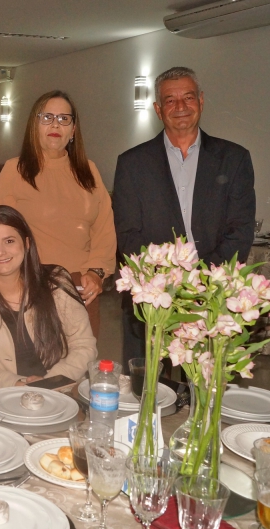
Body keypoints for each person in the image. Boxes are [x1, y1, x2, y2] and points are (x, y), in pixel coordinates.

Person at [113, 66, 255, 371]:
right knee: (150, 385)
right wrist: (168, 282)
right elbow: (128, 234)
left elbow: (240, 230)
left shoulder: (234, 159)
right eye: (170, 100)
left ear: (201, 101)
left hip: (215, 294)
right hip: (153, 298)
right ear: (158, 109)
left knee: (207, 385)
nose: (180, 106)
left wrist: (201, 281)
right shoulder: (132, 164)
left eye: (188, 97)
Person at [0, 90, 116, 338]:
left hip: (80, 285)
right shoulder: (14, 170)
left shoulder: (89, 171)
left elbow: (104, 230)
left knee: (81, 358)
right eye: (47, 117)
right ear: (35, 125)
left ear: (73, 130)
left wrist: (96, 273)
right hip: (31, 284)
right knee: (35, 360)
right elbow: (3, 234)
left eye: (64, 119)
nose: (55, 125)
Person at [0, 206, 97, 398]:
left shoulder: (56, 282)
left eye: (9, 241)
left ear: (27, 243)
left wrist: (47, 384)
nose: (0, 252)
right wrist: (18, 385)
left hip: (60, 392)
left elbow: (84, 346)